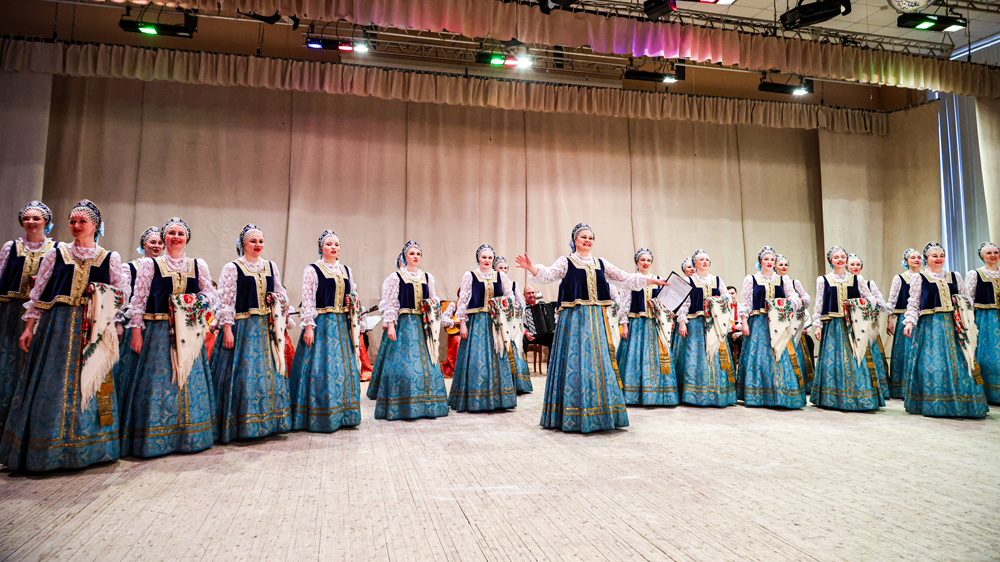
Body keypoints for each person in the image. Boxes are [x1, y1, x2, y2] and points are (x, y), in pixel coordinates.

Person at [1, 200, 129, 472]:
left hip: (95, 327)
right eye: (72, 221)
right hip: (57, 328)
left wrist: (101, 299)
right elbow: (38, 293)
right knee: (53, 382)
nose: (76, 226)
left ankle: (96, 448)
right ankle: (47, 447)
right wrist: (29, 327)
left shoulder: (110, 258)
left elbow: (122, 295)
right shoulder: (56, 253)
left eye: (82, 221)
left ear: (95, 225)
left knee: (95, 380)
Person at [515, 223, 667, 433]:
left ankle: (600, 412)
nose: (587, 241)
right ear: (575, 240)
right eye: (583, 237)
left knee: (599, 361)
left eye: (590, 238)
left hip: (596, 321)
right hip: (574, 321)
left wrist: (652, 280)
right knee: (575, 361)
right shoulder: (566, 262)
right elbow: (548, 274)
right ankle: (572, 411)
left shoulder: (601, 263)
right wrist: (531, 267)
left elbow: (625, 278)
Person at [119, 217, 216, 458]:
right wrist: (136, 331)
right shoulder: (150, 265)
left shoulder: (198, 265)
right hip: (158, 331)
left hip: (190, 331)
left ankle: (190, 436)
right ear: (164, 238)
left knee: (189, 381)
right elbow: (139, 300)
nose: (176, 237)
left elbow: (210, 294)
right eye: (171, 233)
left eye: (180, 233)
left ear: (187, 238)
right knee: (159, 383)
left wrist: (195, 303)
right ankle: (156, 438)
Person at [211, 224, 292, 442]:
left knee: (270, 372)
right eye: (253, 241)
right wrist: (227, 328)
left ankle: (270, 422)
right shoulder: (232, 268)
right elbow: (225, 300)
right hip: (242, 328)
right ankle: (242, 425)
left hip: (266, 327)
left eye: (260, 241)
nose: (258, 245)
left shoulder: (271, 266)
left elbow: (280, 293)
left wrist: (280, 310)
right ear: (243, 244)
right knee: (244, 373)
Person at [900, 242, 987, 418]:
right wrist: (909, 322)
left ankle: (962, 403)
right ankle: (935, 402)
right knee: (932, 364)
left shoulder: (955, 276)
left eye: (941, 256)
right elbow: (914, 303)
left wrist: (963, 308)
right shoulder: (919, 278)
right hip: (930, 327)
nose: (939, 259)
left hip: (954, 325)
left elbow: (967, 300)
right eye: (934, 256)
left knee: (960, 363)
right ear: (926, 259)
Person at [288, 229, 361, 432]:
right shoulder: (312, 270)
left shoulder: (346, 270)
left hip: (341, 325)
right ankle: (317, 414)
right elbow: (308, 299)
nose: (333, 247)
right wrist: (308, 326)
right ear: (321, 247)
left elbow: (353, 293)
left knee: (342, 368)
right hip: (321, 325)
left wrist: (352, 300)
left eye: (336, 244)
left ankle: (344, 414)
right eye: (329, 244)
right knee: (321, 368)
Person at [370, 241, 449, 420]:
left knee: (428, 365)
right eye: (412, 253)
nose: (415, 257)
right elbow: (391, 303)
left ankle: (427, 405)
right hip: (405, 324)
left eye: (418, 254)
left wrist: (440, 319)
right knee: (403, 365)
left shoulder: (427, 277)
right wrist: (391, 324)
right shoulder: (396, 277)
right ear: (405, 256)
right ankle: (402, 405)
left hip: (423, 325)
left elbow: (434, 301)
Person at [0, 201, 56, 427]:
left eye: (36, 218)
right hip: (11, 311)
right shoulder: (11, 247)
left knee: (34, 359)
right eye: (27, 218)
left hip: (41, 313)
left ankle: (27, 418)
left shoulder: (55, 249)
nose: (31, 222)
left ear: (46, 222)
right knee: (8, 360)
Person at [809, 246, 884, 411]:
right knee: (833, 361)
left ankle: (859, 396)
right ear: (831, 261)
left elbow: (870, 300)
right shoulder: (823, 280)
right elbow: (819, 304)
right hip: (832, 326)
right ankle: (832, 398)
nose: (840, 260)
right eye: (836, 257)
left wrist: (855, 304)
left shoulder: (857, 279)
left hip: (854, 325)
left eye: (843, 257)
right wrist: (818, 326)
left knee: (856, 359)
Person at [450, 244, 518, 412]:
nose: (487, 260)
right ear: (478, 259)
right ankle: (475, 398)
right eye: (484, 257)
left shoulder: (500, 276)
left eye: (490, 258)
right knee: (477, 359)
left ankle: (499, 399)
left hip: (495, 322)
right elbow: (463, 301)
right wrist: (462, 323)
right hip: (477, 322)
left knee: (498, 356)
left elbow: (509, 296)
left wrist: (503, 307)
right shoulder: (470, 275)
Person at [737, 246, 805, 409]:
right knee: (759, 356)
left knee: (780, 354)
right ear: (760, 261)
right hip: (758, 322)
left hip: (778, 322)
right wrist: (744, 322)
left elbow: (794, 297)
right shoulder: (751, 279)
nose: (769, 262)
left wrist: (786, 305)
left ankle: (781, 394)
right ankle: (758, 394)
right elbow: (745, 303)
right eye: (766, 259)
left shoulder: (783, 280)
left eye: (772, 260)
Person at [614, 248, 677, 406]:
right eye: (643, 260)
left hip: (655, 324)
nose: (646, 263)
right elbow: (625, 305)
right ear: (637, 262)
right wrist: (624, 325)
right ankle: (633, 394)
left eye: (648, 260)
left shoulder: (658, 280)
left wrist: (665, 314)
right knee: (635, 356)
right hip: (637, 324)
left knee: (657, 357)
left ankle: (658, 395)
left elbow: (667, 304)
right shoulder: (631, 280)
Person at [674, 249, 735, 407]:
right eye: (701, 259)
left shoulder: (717, 280)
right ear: (695, 263)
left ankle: (717, 394)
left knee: (715, 355)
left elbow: (727, 299)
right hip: (696, 323)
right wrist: (682, 321)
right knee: (696, 356)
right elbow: (684, 303)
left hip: (714, 324)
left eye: (707, 259)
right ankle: (694, 394)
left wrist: (717, 302)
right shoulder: (689, 280)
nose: (705, 262)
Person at [113, 226, 164, 412]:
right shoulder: (129, 268)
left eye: (160, 243)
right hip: (133, 324)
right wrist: (118, 323)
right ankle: (125, 410)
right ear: (143, 245)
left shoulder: (166, 268)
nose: (156, 246)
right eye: (152, 242)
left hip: (156, 326)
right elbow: (120, 298)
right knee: (130, 368)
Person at [847, 254, 890, 399]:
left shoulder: (869, 284)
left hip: (869, 326)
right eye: (852, 265)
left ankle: (877, 389)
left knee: (872, 355)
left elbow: (881, 303)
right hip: (851, 326)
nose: (855, 267)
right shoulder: (845, 284)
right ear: (847, 267)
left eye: (858, 265)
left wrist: (868, 305)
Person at [965, 242, 1000, 405]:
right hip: (986, 319)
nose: (993, 256)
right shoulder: (976, 274)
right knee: (990, 355)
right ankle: (989, 392)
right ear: (982, 256)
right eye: (989, 253)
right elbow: (968, 299)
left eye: (995, 252)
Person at [775, 254, 815, 394]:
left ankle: (799, 383)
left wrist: (797, 303)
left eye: (786, 264)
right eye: (781, 264)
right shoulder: (771, 282)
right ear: (775, 266)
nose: (784, 267)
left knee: (795, 348)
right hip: (777, 323)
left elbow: (806, 298)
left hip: (793, 322)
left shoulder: (794, 282)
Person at [886, 248, 922, 399]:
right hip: (904, 318)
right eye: (913, 258)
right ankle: (903, 387)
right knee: (905, 352)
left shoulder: (925, 277)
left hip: (922, 319)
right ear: (906, 261)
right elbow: (892, 300)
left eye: (918, 257)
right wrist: (889, 320)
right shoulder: (900, 278)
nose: (916, 260)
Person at [494, 255, 532, 394]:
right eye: (500, 268)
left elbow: (521, 303)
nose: (503, 270)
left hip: (510, 322)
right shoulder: (492, 283)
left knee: (513, 349)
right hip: (496, 322)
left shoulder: (513, 284)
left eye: (505, 268)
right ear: (495, 269)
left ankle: (517, 383)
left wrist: (513, 308)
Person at [726, 286, 744, 361]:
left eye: (732, 293)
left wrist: (740, 333)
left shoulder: (742, 307)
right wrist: (734, 327)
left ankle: (741, 362)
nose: (730, 296)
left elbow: (746, 324)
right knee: (727, 340)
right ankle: (730, 364)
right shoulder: (723, 308)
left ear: (736, 294)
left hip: (740, 332)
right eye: (728, 294)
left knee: (744, 339)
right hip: (728, 332)